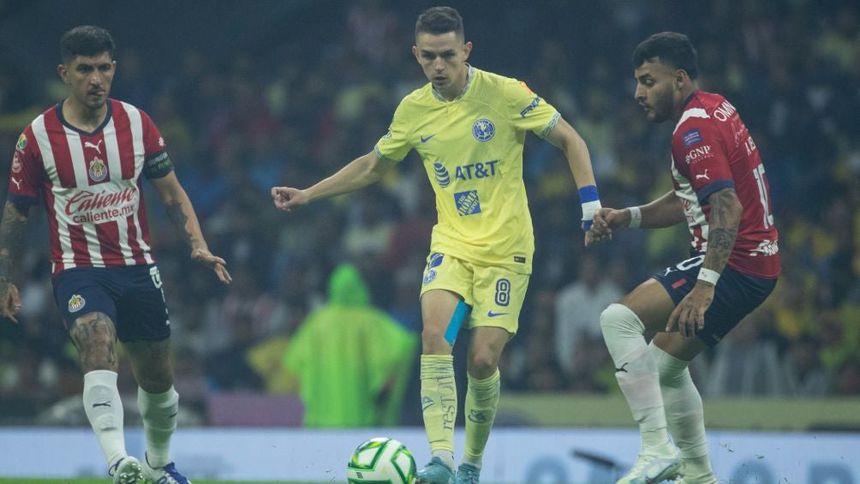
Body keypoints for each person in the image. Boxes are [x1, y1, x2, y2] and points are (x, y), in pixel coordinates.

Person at [271, 6, 602, 483]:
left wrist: (590, 207)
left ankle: (471, 464)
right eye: (429, 57)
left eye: (447, 55)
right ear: (416, 55)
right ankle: (442, 459)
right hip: (452, 244)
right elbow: (372, 166)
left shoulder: (506, 93)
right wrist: (308, 194)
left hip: (507, 250)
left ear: (466, 50)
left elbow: (571, 139)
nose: (439, 66)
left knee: (482, 360)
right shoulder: (413, 109)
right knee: (433, 337)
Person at [0, 26, 231, 484]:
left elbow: (171, 193)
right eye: (85, 69)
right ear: (64, 73)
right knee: (97, 342)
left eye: (104, 68)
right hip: (78, 269)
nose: (96, 79)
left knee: (158, 377)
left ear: (114, 69)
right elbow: (16, 213)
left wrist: (198, 244)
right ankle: (118, 462)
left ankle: (159, 466)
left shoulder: (138, 124)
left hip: (138, 267)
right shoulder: (37, 136)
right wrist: (5, 276)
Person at [589, 32, 780, 483]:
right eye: (637, 82)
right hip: (758, 263)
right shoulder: (716, 107)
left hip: (734, 261)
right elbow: (693, 198)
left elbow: (727, 207)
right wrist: (628, 217)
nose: (638, 93)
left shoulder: (691, 130)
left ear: (678, 79)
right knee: (666, 366)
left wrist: (705, 286)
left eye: (648, 81)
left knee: (618, 320)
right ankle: (698, 475)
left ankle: (656, 449)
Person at [283, 263, 418, 427]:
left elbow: (295, 361)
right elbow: (402, 347)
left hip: (322, 416)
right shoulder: (370, 320)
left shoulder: (317, 322)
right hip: (361, 410)